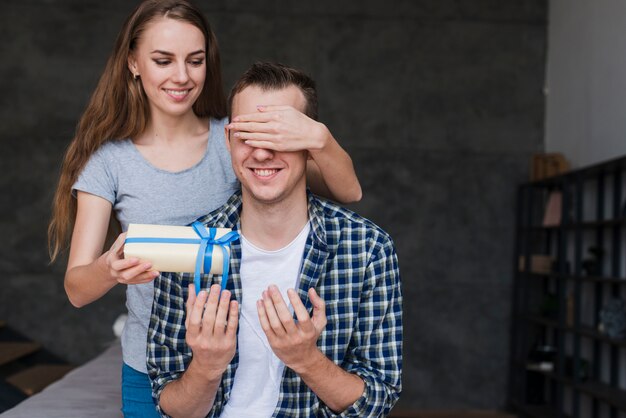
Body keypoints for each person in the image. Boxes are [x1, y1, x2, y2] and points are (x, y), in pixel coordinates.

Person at [47, 1, 361, 416]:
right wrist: (110, 268)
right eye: (163, 60)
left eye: (195, 61)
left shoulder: (236, 138)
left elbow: (348, 191)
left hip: (241, 359)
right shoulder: (109, 163)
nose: (182, 76)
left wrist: (318, 137)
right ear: (133, 63)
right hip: (152, 367)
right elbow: (76, 289)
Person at [148, 62, 402, 417]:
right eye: (249, 135)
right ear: (228, 141)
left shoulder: (366, 248)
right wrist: (206, 366)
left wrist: (307, 360)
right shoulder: (187, 249)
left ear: (310, 146)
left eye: (279, 137)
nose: (262, 153)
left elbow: (378, 399)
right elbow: (170, 408)